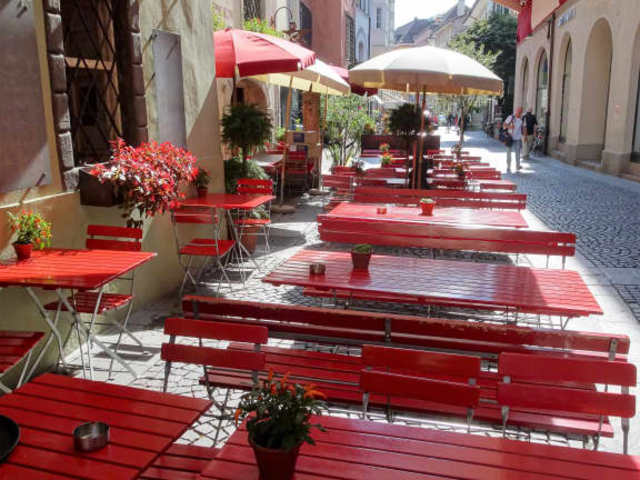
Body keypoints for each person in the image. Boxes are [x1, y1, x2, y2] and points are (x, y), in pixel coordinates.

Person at [503, 107, 524, 172]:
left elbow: (522, 128)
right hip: (510, 137)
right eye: (518, 111)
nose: (519, 113)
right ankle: (508, 166)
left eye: (520, 112)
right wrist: (510, 126)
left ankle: (518, 166)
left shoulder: (522, 119)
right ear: (516, 111)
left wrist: (524, 135)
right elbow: (504, 125)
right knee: (508, 152)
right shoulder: (511, 117)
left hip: (518, 138)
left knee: (518, 153)